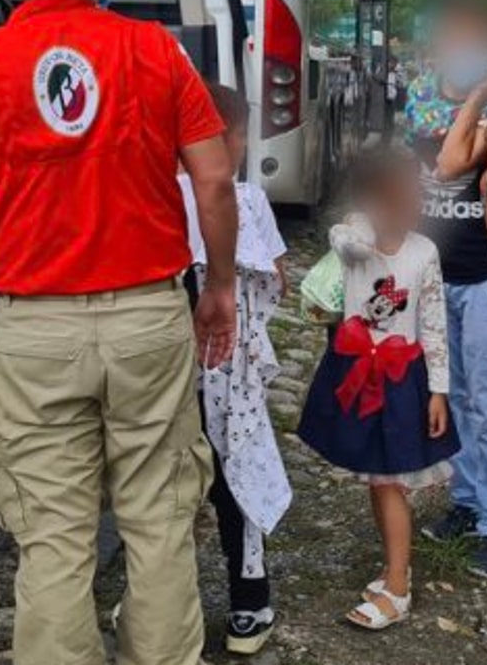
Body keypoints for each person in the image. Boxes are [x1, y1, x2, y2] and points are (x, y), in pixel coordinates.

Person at [0, 0, 239, 665]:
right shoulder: (156, 52)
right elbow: (217, 182)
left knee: (52, 537)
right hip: (149, 320)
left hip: (34, 331)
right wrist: (218, 287)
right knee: (158, 522)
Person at [296, 152, 459, 632]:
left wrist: (438, 391)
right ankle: (394, 568)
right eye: (397, 193)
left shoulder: (424, 251)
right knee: (375, 475)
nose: (411, 202)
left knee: (389, 482)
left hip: (400, 379)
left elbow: (433, 324)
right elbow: (347, 244)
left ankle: (398, 586)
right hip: (356, 373)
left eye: (414, 193)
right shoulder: (354, 241)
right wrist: (359, 219)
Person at [404, 0, 487, 578]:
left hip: (486, 281)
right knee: (447, 400)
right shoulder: (418, 106)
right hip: (433, 282)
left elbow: (456, 165)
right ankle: (468, 502)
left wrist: (483, 100)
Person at [178, 84, 289, 655]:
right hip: (228, 375)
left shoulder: (153, 196)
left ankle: (159, 600)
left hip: (166, 375)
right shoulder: (245, 200)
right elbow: (278, 278)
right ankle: (249, 598)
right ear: (231, 138)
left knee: (160, 483)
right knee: (233, 479)